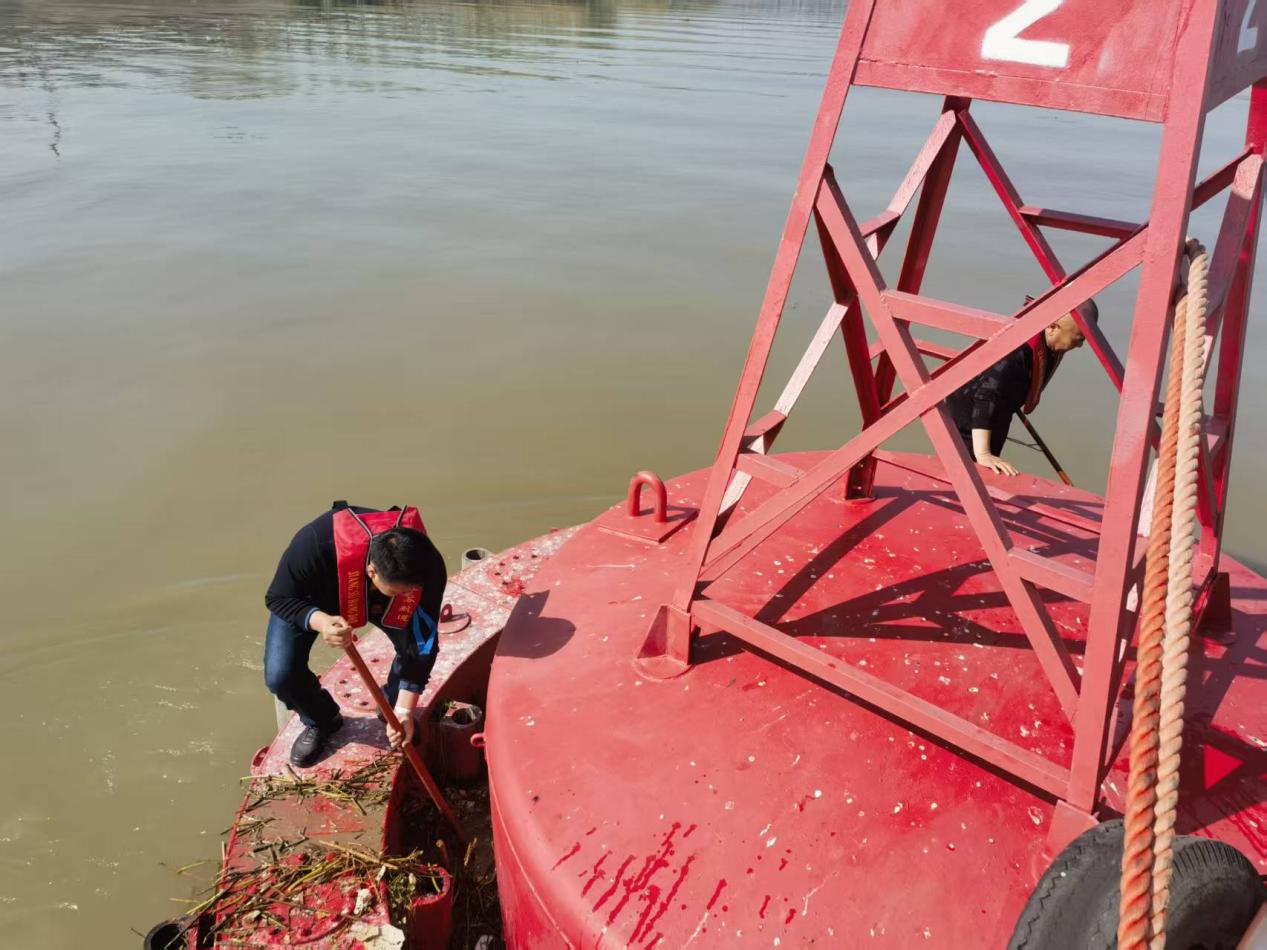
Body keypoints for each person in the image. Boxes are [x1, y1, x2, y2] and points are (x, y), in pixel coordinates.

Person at [263, 502, 447, 767]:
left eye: (412, 590)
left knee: (414, 646)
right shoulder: (312, 545)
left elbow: (423, 640)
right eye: (400, 591)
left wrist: (405, 710)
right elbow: (278, 598)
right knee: (280, 674)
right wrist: (321, 621)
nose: (409, 596)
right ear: (373, 572)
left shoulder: (426, 567)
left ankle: (390, 702)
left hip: (382, 599)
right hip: (319, 595)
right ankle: (322, 720)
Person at [945, 300, 1097, 476]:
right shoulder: (1015, 352)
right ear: (1052, 326)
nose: (1079, 346)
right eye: (1077, 339)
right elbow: (986, 396)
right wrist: (983, 454)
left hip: (1002, 409)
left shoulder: (1049, 342)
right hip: (971, 414)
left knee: (994, 466)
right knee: (974, 470)